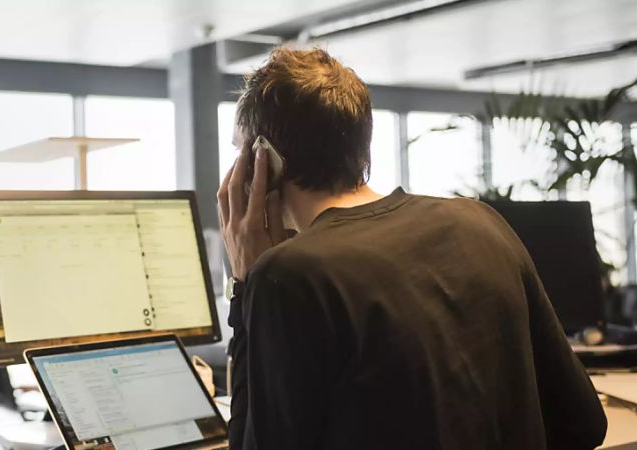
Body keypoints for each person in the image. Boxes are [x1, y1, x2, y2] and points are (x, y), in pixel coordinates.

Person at [219, 47, 607, 450]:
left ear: (265, 161)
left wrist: (246, 280)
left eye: (238, 151)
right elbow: (583, 424)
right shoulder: (480, 221)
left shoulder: (289, 275)